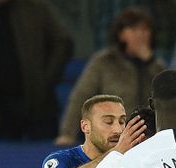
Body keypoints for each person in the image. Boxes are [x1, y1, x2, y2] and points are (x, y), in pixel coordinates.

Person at [0, 0, 73, 139]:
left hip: (39, 106)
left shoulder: (36, 9)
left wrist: (46, 81)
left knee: (46, 157)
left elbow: (63, 42)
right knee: (5, 158)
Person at [55, 7, 166, 146]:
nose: (140, 35)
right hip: (112, 139)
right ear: (121, 35)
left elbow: (169, 102)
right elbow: (80, 98)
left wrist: (150, 62)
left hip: (151, 139)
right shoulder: (103, 62)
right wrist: (67, 134)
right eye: (133, 30)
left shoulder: (158, 67)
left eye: (144, 30)